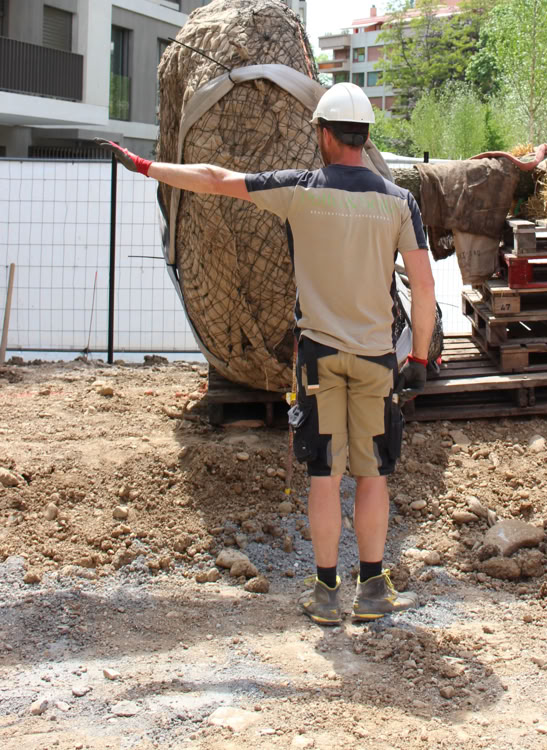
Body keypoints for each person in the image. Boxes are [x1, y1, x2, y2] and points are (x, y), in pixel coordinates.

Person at [96, 82, 436, 626]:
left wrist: (144, 166)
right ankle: (373, 588)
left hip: (319, 359)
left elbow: (213, 179)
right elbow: (423, 287)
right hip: (376, 360)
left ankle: (326, 593)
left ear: (325, 135)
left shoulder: (299, 189)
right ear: (366, 138)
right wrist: (418, 359)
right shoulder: (399, 201)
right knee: (373, 475)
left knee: (325, 475)